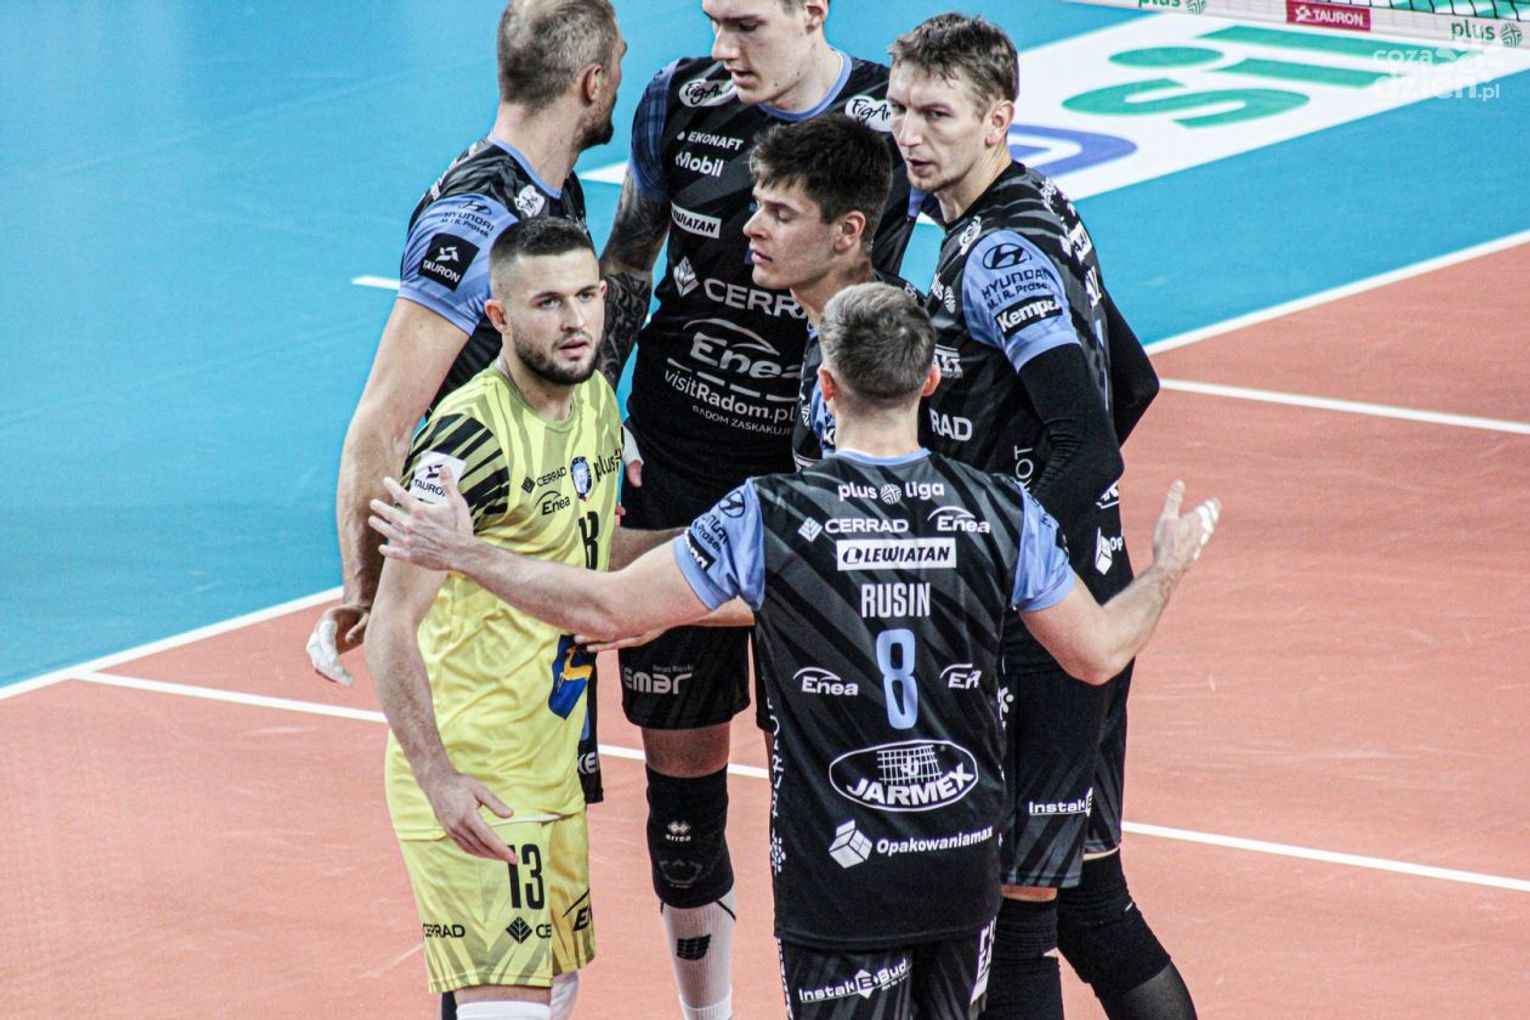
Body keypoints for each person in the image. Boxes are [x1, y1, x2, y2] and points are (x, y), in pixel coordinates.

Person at [368, 283, 1221, 1020]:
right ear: (930, 381)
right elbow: (1098, 653)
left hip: (840, 878)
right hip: (961, 864)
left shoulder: (769, 515)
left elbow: (608, 607)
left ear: (825, 386)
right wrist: (1163, 573)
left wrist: (465, 553)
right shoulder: (1006, 512)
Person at [595, 3, 919, 1016]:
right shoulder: (678, 101)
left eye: (745, 24)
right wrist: (594, 418)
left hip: (811, 475)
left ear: (811, 10)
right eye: (712, 21)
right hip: (678, 466)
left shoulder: (891, 122)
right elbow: (629, 261)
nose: (722, 49)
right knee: (682, 822)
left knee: (821, 799)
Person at [887, 15, 1189, 1020]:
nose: (911, 134)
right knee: (1091, 902)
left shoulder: (997, 254)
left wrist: (994, 562)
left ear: (997, 121)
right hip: (1084, 596)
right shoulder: (1037, 205)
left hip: (1042, 628)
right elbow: (1133, 382)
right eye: (899, 109)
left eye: (937, 114)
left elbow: (1090, 444)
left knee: (1015, 921)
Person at [308, 0, 624, 769]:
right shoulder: (475, 219)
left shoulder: (554, 191)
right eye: (618, 62)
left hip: (532, 540)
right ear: (591, 82)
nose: (622, 78)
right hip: (476, 578)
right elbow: (381, 424)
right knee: (490, 802)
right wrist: (370, 597)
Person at [365, 218, 665, 1020]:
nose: (575, 321)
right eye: (547, 303)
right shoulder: (468, 443)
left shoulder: (593, 398)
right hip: (479, 772)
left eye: (586, 296)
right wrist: (437, 779)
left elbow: (586, 551)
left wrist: (720, 549)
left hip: (551, 761)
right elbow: (392, 623)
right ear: (498, 317)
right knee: (509, 1006)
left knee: (555, 988)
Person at [742, 113, 921, 470]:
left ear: (847, 231)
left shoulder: (875, 357)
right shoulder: (845, 315)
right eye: (758, 206)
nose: (751, 227)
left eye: (781, 215)